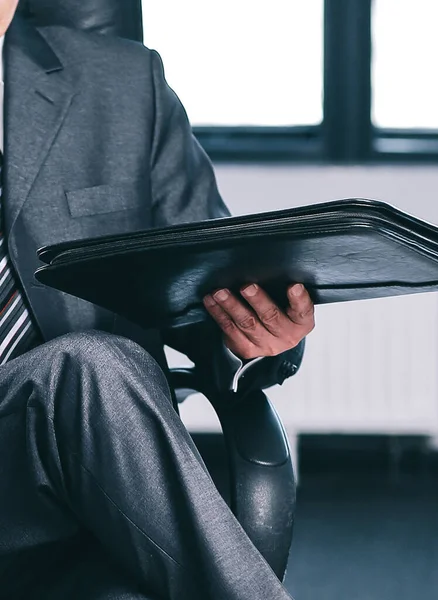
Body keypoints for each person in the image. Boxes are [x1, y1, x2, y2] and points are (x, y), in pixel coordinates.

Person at [0, 2, 315, 599]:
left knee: (86, 369)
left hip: (79, 466)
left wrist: (248, 331)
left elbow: (204, 283)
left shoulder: (122, 83)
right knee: (85, 365)